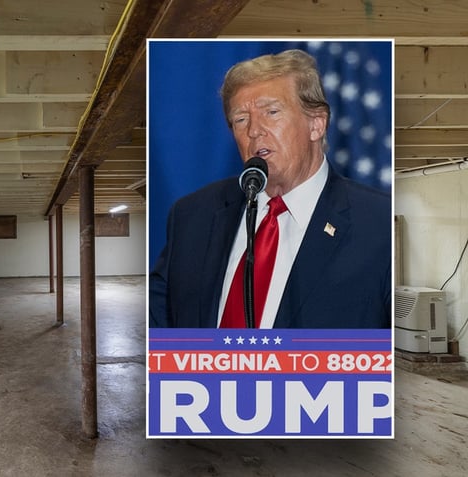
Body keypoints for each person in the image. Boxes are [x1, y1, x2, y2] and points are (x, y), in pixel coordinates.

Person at [149, 49, 390, 329]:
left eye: (271, 112)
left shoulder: (378, 223)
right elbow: (159, 326)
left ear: (316, 124)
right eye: (240, 119)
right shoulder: (192, 216)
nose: (254, 130)